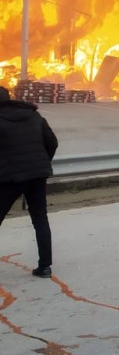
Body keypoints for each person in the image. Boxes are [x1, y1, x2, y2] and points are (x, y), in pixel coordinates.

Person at [0, 86, 59, 277]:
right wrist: (41, 164)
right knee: (40, 219)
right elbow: (52, 142)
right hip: (36, 176)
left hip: (9, 179)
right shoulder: (34, 116)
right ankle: (45, 266)